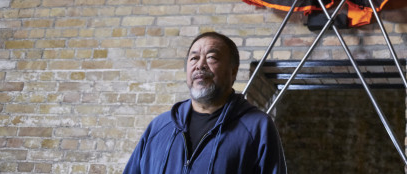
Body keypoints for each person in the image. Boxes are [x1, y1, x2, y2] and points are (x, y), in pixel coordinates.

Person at [123, 32, 287, 174]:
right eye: (194, 58)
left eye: (211, 58)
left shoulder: (257, 127)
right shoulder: (159, 126)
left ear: (233, 71)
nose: (200, 65)